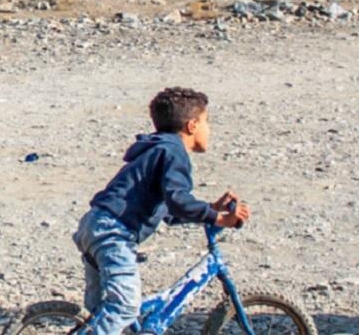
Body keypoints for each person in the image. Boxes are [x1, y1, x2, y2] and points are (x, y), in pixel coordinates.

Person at [73, 87, 249, 335]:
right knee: (125, 306)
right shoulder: (173, 152)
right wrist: (219, 217)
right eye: (207, 122)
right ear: (191, 125)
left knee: (104, 311)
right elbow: (179, 200)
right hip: (113, 233)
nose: (209, 130)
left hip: (95, 226)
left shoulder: (158, 149)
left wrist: (209, 208)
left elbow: (170, 211)